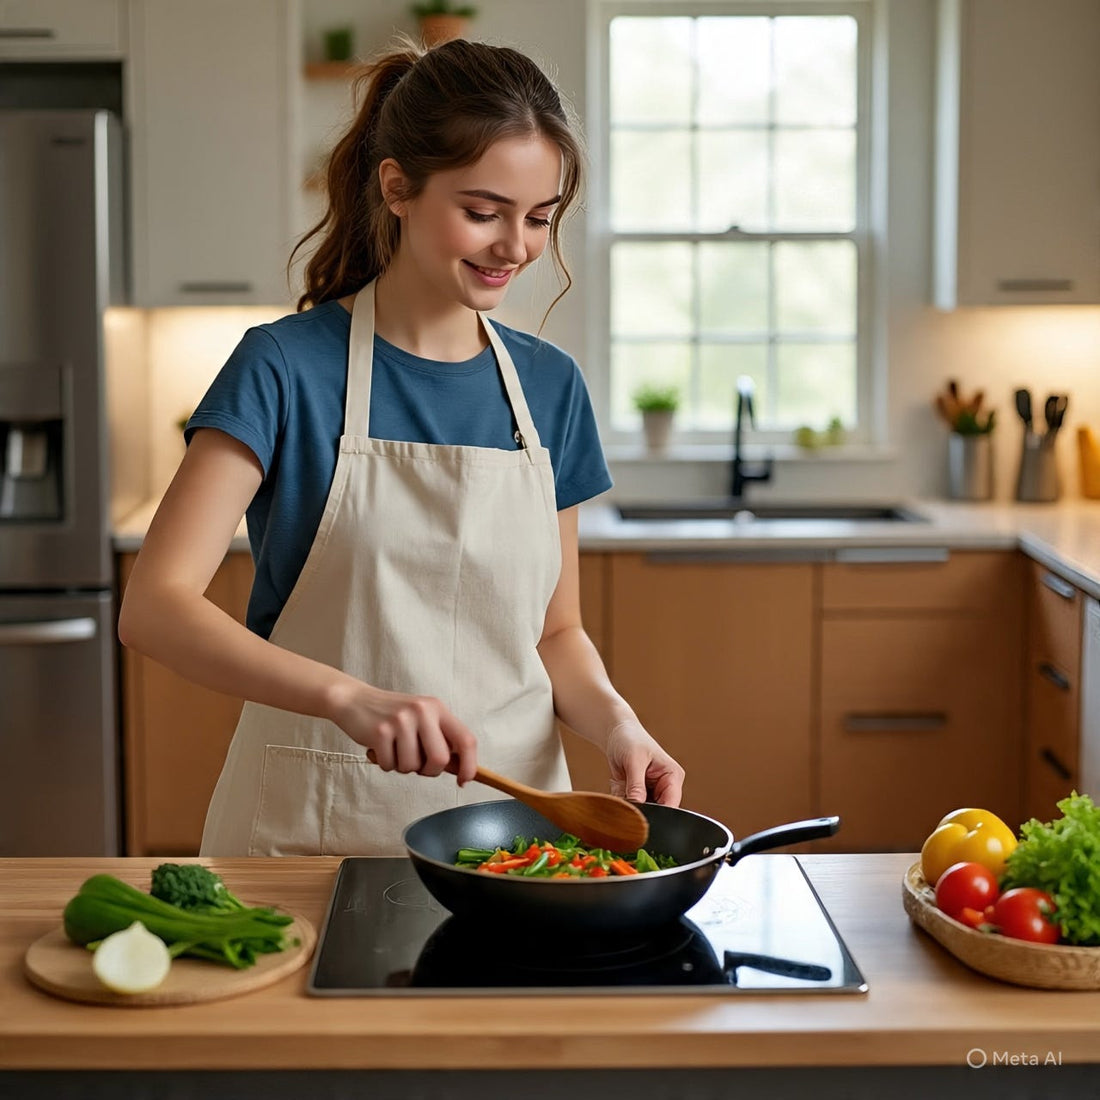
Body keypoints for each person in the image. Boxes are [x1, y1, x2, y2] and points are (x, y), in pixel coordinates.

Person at [118, 37, 685, 857]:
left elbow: (555, 634)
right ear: (398, 187)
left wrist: (620, 726)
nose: (515, 247)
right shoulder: (284, 367)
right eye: (483, 212)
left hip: (513, 836)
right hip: (310, 832)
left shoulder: (550, 387)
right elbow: (156, 607)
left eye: (539, 217)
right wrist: (350, 699)